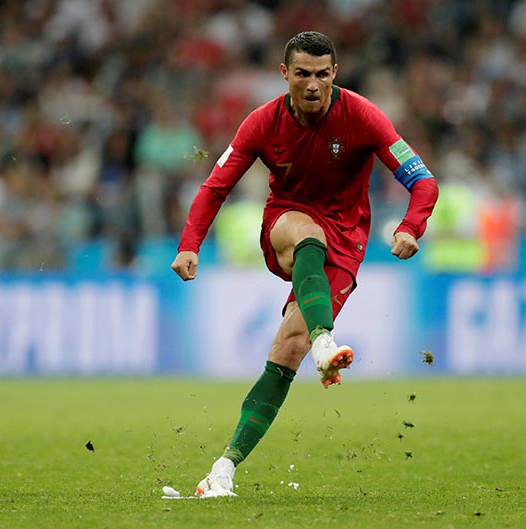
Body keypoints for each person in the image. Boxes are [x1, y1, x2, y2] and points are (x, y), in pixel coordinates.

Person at [170, 31, 438, 497]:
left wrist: (411, 227)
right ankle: (324, 339)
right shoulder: (261, 123)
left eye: (321, 74)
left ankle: (222, 469)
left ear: (334, 73)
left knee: (286, 351)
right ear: (284, 74)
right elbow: (216, 187)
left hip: (347, 242)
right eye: (302, 75)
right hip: (287, 225)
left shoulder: (363, 116)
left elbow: (424, 182)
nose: (312, 85)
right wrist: (190, 243)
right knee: (307, 235)